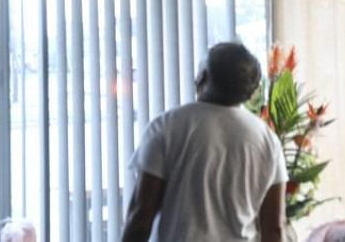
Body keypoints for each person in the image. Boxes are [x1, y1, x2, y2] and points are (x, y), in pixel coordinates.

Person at [122, 43, 288, 242]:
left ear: (202, 77)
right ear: (251, 92)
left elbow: (141, 217)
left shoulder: (165, 128)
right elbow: (274, 228)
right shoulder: (267, 139)